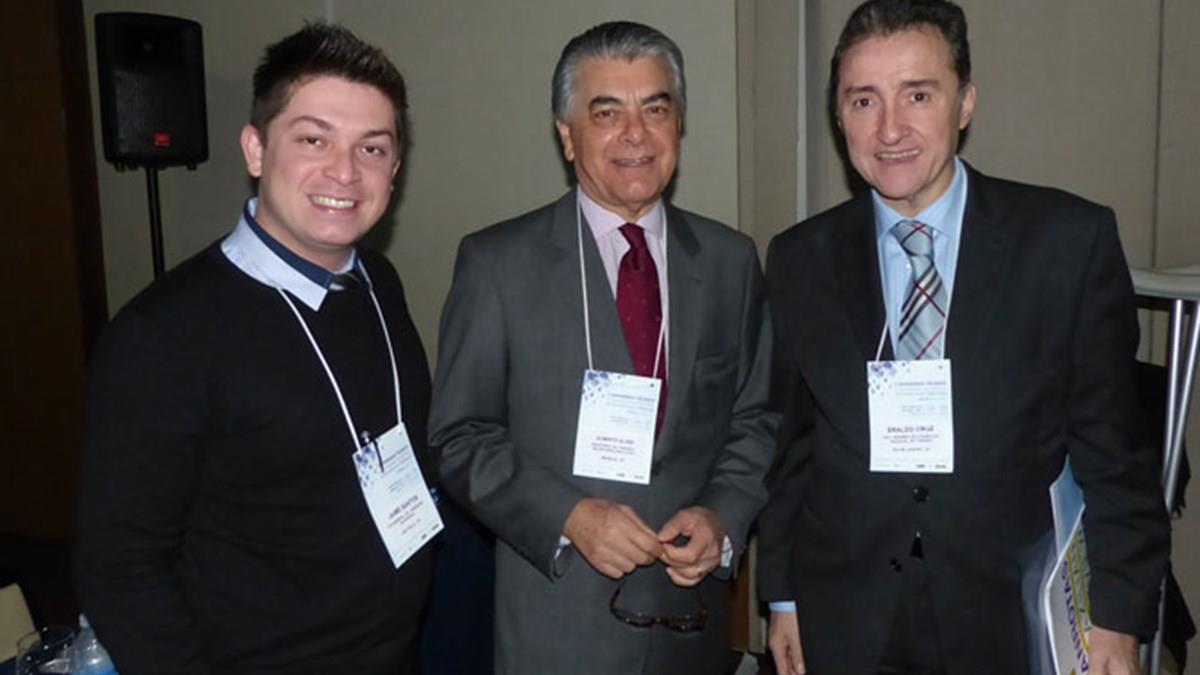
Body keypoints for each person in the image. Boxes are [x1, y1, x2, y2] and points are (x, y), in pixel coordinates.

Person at [756, 1, 1170, 674]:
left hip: (1005, 612)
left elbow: (1115, 454)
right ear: (838, 116)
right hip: (846, 613)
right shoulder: (801, 257)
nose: (890, 129)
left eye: (918, 95)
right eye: (863, 100)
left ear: (965, 102)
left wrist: (1117, 619)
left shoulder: (1065, 244)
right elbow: (791, 444)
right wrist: (781, 595)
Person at [74, 23, 438, 675]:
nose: (345, 171)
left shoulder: (377, 283)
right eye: (313, 139)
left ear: (395, 168)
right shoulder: (163, 335)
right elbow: (119, 569)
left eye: (372, 147)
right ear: (256, 149)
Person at [429, 20, 777, 675]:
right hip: (557, 629)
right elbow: (460, 435)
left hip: (690, 630)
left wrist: (723, 516)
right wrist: (570, 516)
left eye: (656, 108)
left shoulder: (731, 262)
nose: (635, 134)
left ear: (679, 123)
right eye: (607, 112)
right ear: (567, 135)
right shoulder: (497, 265)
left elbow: (755, 418)